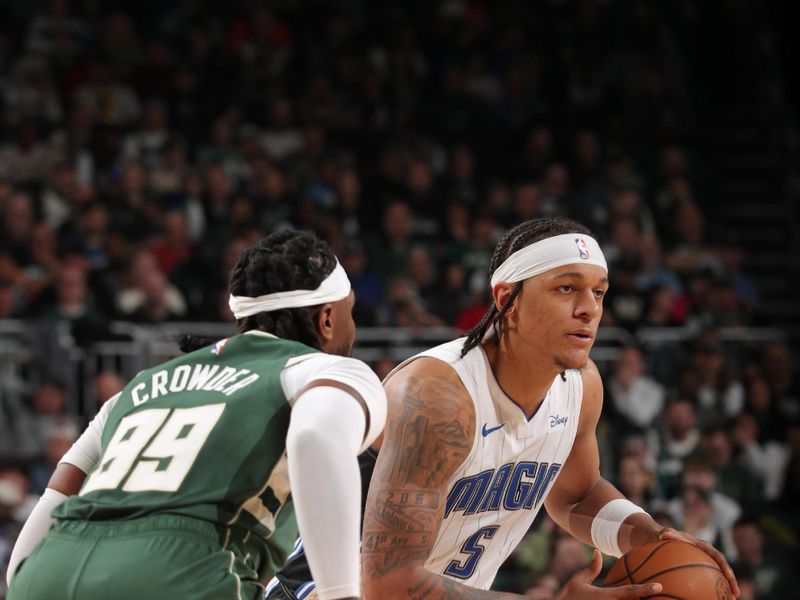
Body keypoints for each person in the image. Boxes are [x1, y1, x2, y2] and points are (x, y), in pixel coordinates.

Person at [360, 217, 739, 598]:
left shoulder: (581, 387)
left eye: (599, 293)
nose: (589, 309)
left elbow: (577, 495)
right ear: (507, 299)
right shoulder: (438, 395)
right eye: (566, 288)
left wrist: (647, 535)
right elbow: (389, 584)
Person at [6, 228, 387, 600]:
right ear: (327, 319)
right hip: (179, 572)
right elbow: (315, 438)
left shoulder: (139, 384)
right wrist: (341, 594)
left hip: (45, 573)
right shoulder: (327, 371)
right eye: (350, 312)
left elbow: (49, 506)